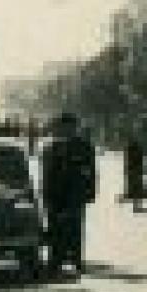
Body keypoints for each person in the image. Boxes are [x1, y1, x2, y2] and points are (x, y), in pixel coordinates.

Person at [40, 112, 98, 276]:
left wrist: (90, 191)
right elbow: (45, 173)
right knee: (55, 227)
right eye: (64, 127)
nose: (67, 130)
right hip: (55, 194)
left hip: (75, 193)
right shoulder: (50, 148)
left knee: (75, 227)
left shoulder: (84, 147)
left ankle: (76, 259)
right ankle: (55, 260)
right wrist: (45, 193)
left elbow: (91, 171)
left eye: (70, 127)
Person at [123, 134, 147, 212]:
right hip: (136, 172)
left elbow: (128, 162)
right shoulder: (137, 151)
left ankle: (136, 206)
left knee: (136, 190)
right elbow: (139, 162)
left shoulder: (129, 150)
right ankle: (137, 207)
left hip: (133, 172)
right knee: (137, 190)